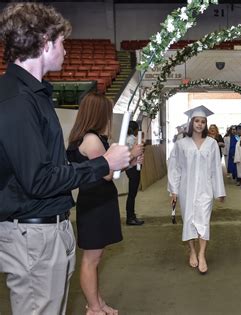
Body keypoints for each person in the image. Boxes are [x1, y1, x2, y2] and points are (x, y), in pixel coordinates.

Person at [0, 3, 130, 314]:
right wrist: (105, 164)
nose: (66, 51)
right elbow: (39, 180)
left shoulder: (34, 95)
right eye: (61, 43)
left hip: (47, 231)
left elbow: (51, 168)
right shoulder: (18, 100)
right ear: (44, 43)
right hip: (33, 235)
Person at [67, 93, 143, 315]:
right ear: (99, 113)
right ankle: (93, 307)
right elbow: (108, 174)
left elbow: (111, 172)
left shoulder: (90, 138)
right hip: (95, 203)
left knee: (96, 258)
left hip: (98, 200)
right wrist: (132, 155)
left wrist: (130, 161)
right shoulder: (91, 140)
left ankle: (97, 303)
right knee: (91, 259)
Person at [168, 105, 225, 274]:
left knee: (204, 221)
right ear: (191, 122)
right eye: (197, 121)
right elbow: (175, 168)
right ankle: (191, 250)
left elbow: (216, 168)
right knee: (189, 220)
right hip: (186, 188)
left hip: (205, 189)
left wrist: (219, 191)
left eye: (203, 121)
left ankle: (201, 254)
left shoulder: (212, 143)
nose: (200, 124)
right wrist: (174, 190)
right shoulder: (181, 144)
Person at [125, 120, 145, 226]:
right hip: (133, 167)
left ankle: (131, 215)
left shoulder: (127, 138)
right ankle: (130, 217)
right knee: (132, 194)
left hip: (129, 168)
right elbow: (137, 152)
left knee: (132, 194)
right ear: (136, 129)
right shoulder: (133, 139)